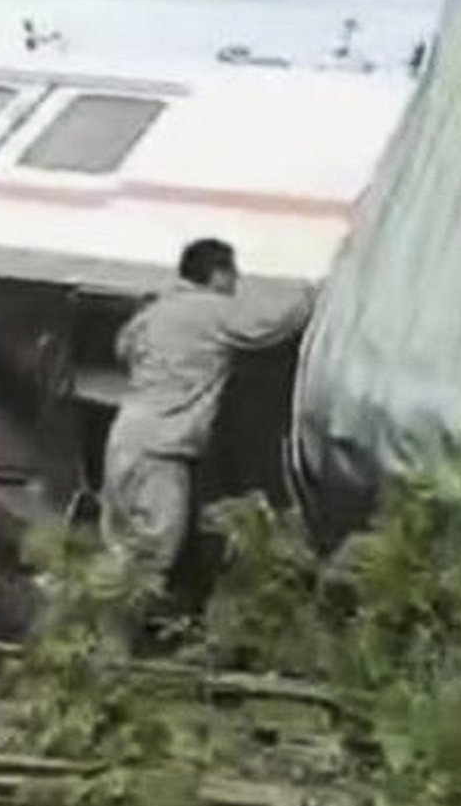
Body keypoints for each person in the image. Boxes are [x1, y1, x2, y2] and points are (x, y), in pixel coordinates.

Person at [102, 238, 313, 577]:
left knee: (122, 549)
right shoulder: (211, 310)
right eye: (233, 274)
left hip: (125, 437)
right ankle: (116, 626)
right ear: (217, 274)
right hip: (163, 448)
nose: (235, 283)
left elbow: (123, 347)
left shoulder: (156, 310)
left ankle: (87, 620)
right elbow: (273, 323)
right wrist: (313, 290)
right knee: (154, 557)